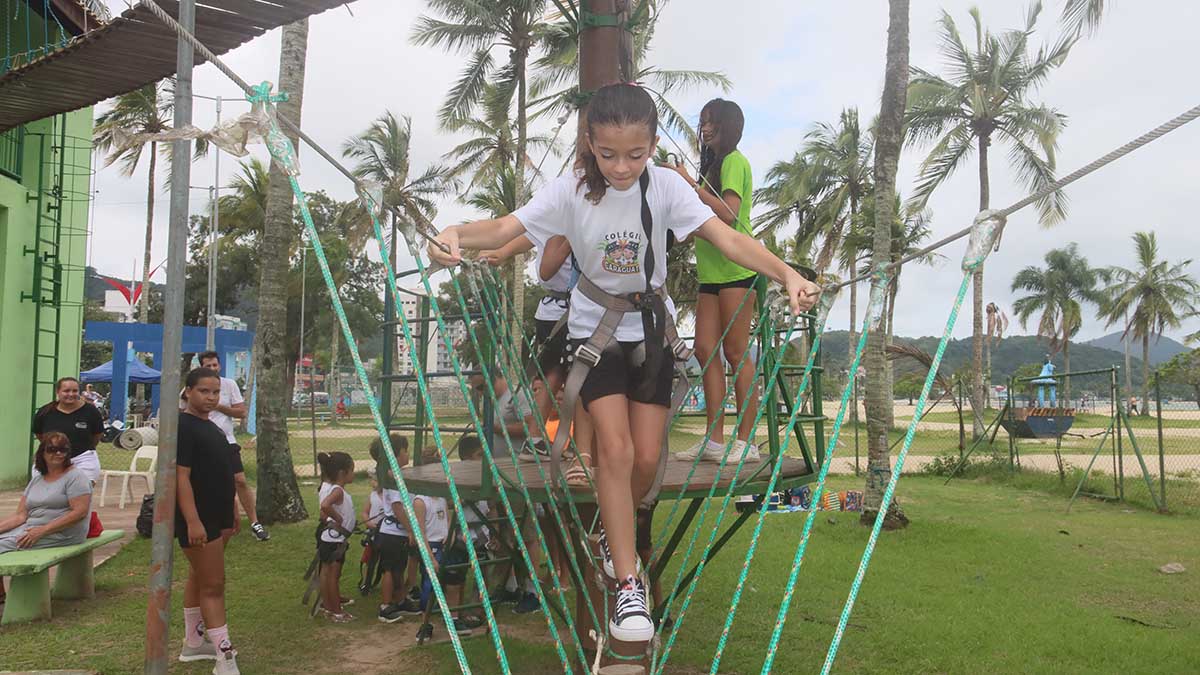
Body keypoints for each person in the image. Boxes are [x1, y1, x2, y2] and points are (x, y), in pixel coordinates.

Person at [428, 83, 819, 643]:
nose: (621, 167)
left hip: (650, 333)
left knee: (647, 460)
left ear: (654, 145)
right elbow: (504, 229)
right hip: (594, 335)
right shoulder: (570, 191)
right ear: (590, 142)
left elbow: (729, 240)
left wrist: (787, 273)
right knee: (614, 450)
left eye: (635, 155)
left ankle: (616, 541)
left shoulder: (664, 188)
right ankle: (628, 584)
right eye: (608, 154)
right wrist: (453, 232)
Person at [671, 98, 762, 464]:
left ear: (728, 126)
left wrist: (690, 185)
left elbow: (727, 213)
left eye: (712, 123)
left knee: (737, 353)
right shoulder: (711, 166)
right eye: (703, 121)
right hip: (710, 272)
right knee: (706, 350)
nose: (705, 128)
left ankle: (747, 441)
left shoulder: (735, 162)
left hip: (738, 269)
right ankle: (713, 440)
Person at [176, 368, 240, 673]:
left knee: (200, 576)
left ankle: (194, 642)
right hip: (198, 519)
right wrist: (192, 521)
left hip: (219, 515)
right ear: (188, 391)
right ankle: (225, 657)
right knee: (214, 584)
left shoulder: (212, 426)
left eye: (216, 392)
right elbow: (181, 477)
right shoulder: (183, 427)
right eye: (204, 391)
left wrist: (232, 510)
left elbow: (223, 473)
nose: (211, 397)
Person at [0, 432, 93, 609]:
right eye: (52, 449)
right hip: (32, 528)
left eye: (63, 450)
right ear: (42, 452)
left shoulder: (76, 477)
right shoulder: (37, 480)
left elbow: (79, 512)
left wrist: (42, 530)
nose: (58, 453)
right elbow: (20, 516)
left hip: (62, 532)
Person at [193, 351, 269, 542]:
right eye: (208, 366)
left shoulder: (229, 385)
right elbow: (184, 411)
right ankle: (214, 523)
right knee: (208, 484)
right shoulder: (193, 387)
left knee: (240, 480)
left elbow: (241, 413)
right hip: (202, 443)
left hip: (227, 441)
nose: (212, 369)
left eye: (215, 365)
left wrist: (217, 406)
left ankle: (254, 523)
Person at [373, 437, 422, 623]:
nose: (407, 454)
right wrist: (411, 530)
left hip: (399, 532)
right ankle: (385, 606)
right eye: (405, 450)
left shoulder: (399, 475)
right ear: (395, 454)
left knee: (398, 568)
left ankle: (401, 600)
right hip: (393, 532)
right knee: (389, 569)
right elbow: (397, 507)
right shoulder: (392, 477)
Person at [32, 377, 104, 485]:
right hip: (50, 460)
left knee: (79, 494)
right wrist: (55, 450)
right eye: (66, 391)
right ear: (58, 392)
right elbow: (40, 435)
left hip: (82, 458)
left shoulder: (91, 411)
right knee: (45, 496)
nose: (71, 394)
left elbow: (97, 435)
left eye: (75, 391)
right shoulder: (45, 412)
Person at [316, 451, 356, 623]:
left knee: (326, 573)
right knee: (333, 575)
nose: (353, 474)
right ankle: (337, 611)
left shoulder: (332, 488)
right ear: (342, 473)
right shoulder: (338, 490)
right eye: (352, 470)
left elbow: (324, 509)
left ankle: (328, 606)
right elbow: (325, 506)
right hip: (335, 540)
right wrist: (339, 519)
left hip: (329, 538)